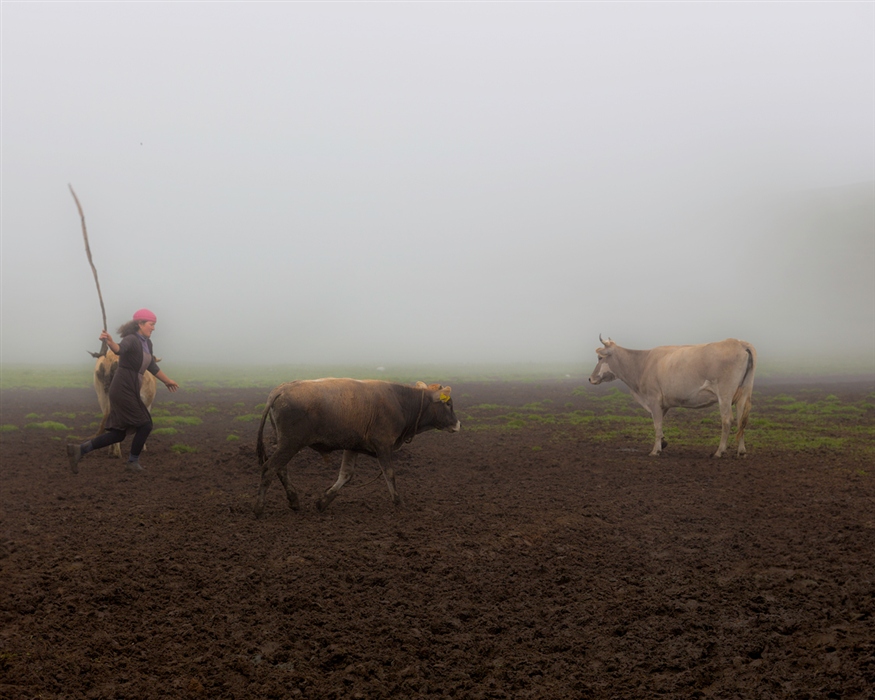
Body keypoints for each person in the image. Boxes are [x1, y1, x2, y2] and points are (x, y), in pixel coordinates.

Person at [66, 308, 179, 473]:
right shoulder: (131, 339)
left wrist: (167, 381)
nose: (153, 328)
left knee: (119, 434)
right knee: (146, 424)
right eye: (151, 324)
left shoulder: (147, 343)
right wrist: (110, 341)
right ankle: (132, 462)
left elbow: (152, 365)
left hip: (131, 387)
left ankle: (79, 450)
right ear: (140, 324)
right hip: (122, 388)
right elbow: (119, 349)